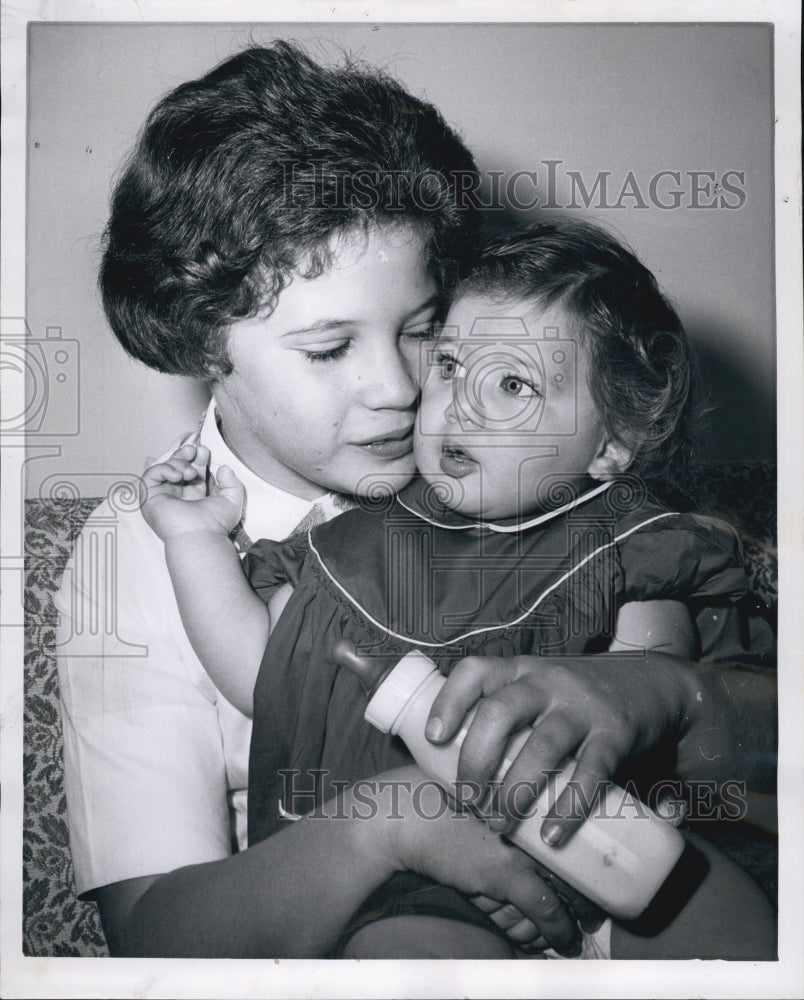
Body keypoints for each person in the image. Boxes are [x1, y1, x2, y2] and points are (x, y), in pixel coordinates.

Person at [57, 40, 608, 959]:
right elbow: (153, 934)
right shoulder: (137, 557)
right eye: (328, 349)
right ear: (200, 341)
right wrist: (381, 828)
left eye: (422, 330)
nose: (399, 388)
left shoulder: (513, 454)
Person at [141, 220, 776, 959]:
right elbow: (263, 673)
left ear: (610, 444)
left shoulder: (628, 548)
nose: (460, 403)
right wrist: (193, 540)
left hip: (603, 850)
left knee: (709, 900)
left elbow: (645, 710)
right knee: (405, 947)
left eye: (513, 384)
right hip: (413, 879)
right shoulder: (353, 544)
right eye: (449, 364)